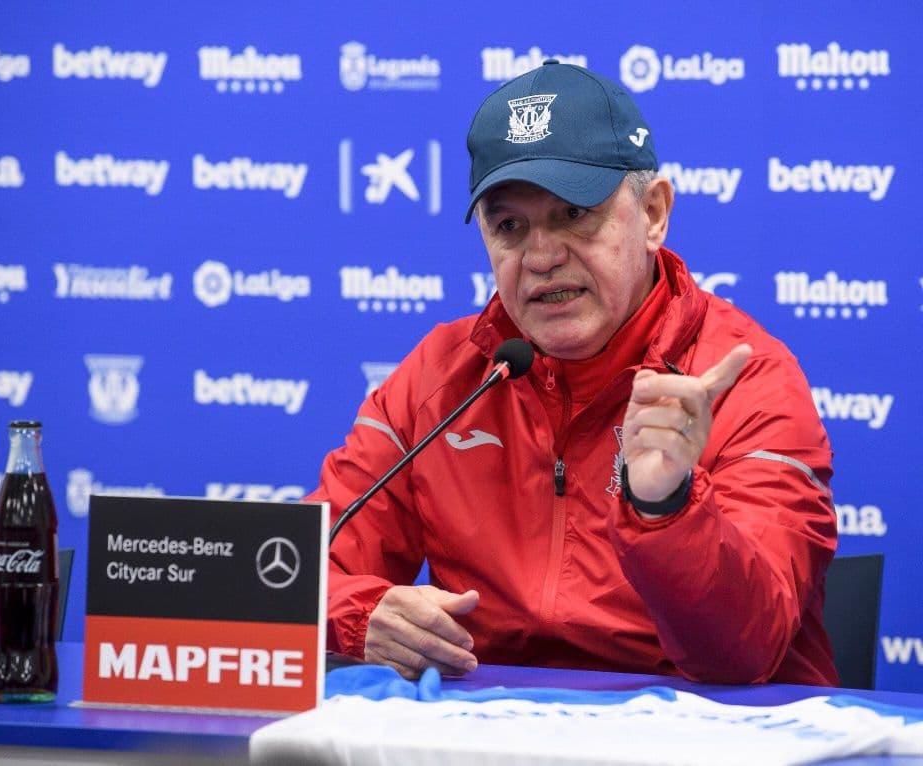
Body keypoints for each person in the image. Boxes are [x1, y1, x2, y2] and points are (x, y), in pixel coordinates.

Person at [309, 61, 838, 686]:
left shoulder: (745, 379)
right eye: (510, 226)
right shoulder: (444, 377)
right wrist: (360, 615)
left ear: (655, 214)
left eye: (573, 214)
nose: (541, 256)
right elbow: (294, 574)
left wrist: (665, 505)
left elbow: (746, 651)